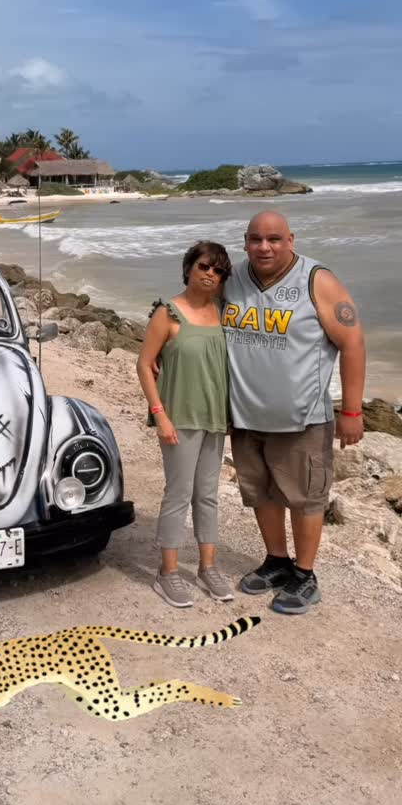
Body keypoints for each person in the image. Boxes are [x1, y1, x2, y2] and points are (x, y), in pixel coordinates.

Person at [223, 211, 366, 614]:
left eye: (274, 239)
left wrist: (352, 411)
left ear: (291, 240)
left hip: (302, 419)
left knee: (305, 499)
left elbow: (353, 343)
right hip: (245, 415)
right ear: (245, 241)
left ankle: (305, 575)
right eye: (255, 239)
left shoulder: (317, 280)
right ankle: (276, 561)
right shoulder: (233, 279)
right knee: (261, 493)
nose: (264, 247)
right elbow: (196, 317)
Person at [137, 240, 234, 608]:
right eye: (204, 266)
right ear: (189, 268)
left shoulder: (224, 312)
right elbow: (144, 364)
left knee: (207, 494)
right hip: (179, 418)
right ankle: (168, 573)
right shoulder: (169, 314)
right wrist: (159, 414)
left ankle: (208, 567)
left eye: (218, 270)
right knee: (178, 493)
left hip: (215, 417)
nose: (210, 274)